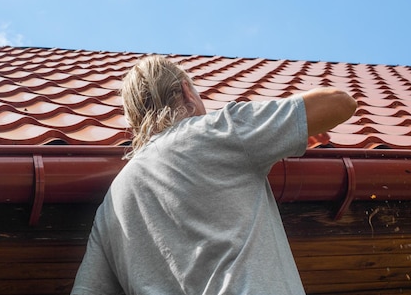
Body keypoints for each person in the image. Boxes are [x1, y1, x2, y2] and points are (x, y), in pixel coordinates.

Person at [72, 55, 357, 295]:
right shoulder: (217, 131)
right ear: (186, 92)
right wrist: (278, 127)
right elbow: (341, 102)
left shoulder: (111, 207)